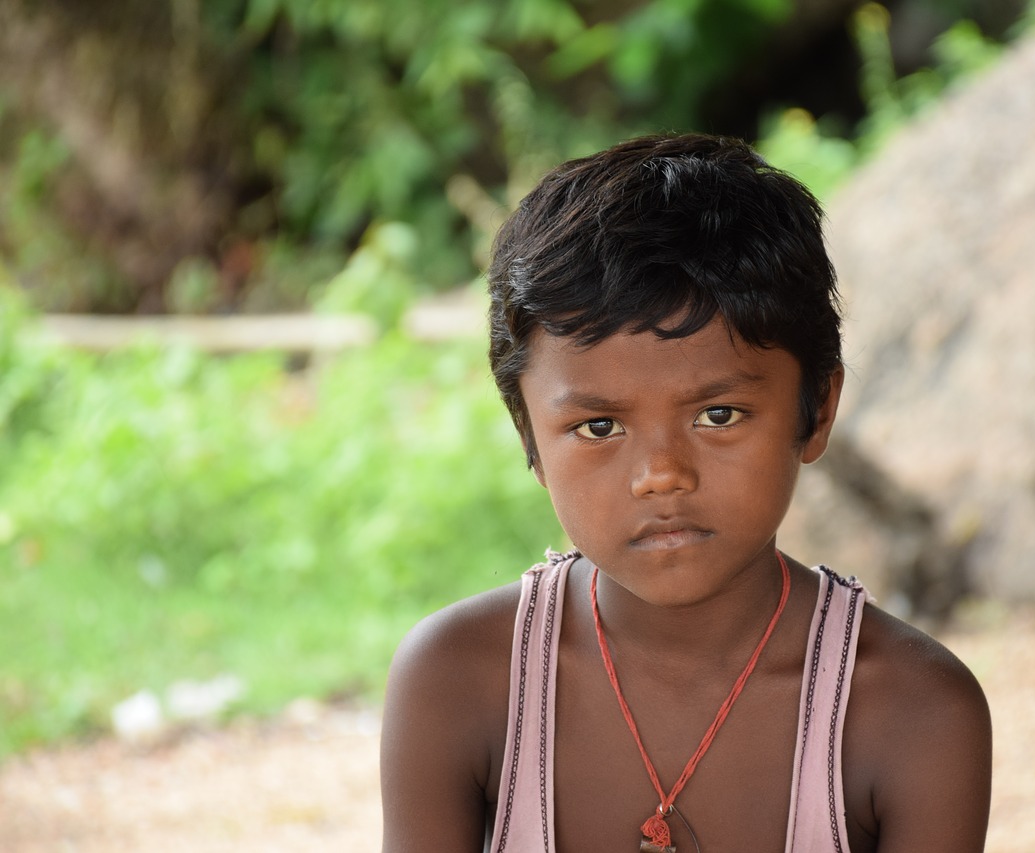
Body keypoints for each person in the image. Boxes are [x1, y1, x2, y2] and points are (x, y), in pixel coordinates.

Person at [380, 133, 991, 852]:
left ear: (816, 411)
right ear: (528, 437)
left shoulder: (910, 712)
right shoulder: (460, 683)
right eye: (599, 425)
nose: (662, 473)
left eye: (718, 415)